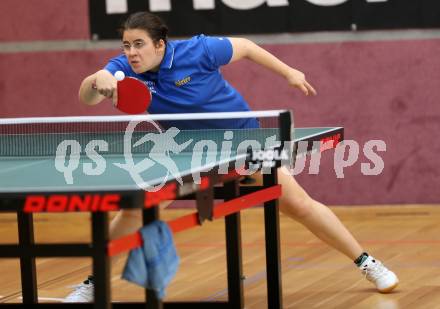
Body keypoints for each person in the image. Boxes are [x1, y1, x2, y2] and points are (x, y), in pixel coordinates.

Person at [64, 12, 398, 302]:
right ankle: (94, 283)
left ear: (160, 44)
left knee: (298, 204)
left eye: (139, 44)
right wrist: (98, 79)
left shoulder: (199, 49)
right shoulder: (122, 68)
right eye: (126, 45)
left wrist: (289, 72)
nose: (131, 53)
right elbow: (86, 98)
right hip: (186, 150)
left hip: (241, 141)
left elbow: (247, 46)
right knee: (137, 208)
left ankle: (367, 262)